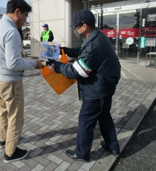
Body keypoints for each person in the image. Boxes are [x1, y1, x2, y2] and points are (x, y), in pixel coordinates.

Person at [47, 9, 121, 162]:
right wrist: (66, 50)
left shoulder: (93, 44)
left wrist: (57, 66)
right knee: (104, 116)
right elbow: (83, 51)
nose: (75, 29)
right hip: (106, 86)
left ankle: (81, 153)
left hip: (97, 89)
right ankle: (112, 146)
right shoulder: (98, 36)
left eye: (76, 26)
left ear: (85, 26)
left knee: (86, 120)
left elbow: (77, 71)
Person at [0, 0, 44, 163]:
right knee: (15, 117)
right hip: (10, 82)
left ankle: (3, 140)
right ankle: (10, 153)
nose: (26, 20)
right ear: (17, 12)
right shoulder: (11, 31)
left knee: (3, 112)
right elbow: (13, 63)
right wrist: (35, 63)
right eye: (25, 15)